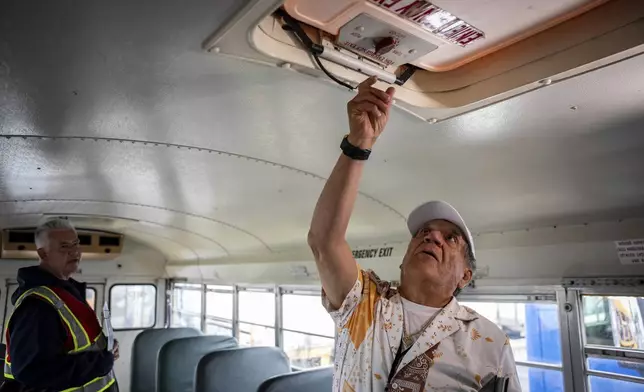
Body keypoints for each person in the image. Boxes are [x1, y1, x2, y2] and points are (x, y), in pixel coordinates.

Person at [308, 77, 521, 392]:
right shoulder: (364, 301)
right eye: (424, 231)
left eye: (451, 238)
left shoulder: (490, 343)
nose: (432, 235)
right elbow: (324, 241)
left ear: (465, 276)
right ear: (403, 260)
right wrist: (359, 143)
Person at [1, 218, 119, 391]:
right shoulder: (38, 305)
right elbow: (32, 370)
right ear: (43, 254)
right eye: (64, 246)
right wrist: (100, 362)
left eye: (76, 244)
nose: (74, 252)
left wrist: (104, 347)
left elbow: (75, 345)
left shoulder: (66, 292)